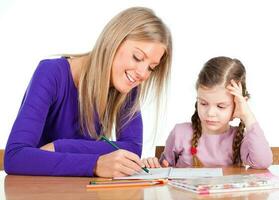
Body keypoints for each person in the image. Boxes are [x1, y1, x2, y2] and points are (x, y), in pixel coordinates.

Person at [4, 7, 172, 177]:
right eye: (137, 57)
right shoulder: (51, 73)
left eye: (152, 68)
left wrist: (59, 147)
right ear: (113, 41)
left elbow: (132, 148)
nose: (143, 74)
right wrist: (95, 164)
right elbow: (15, 157)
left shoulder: (128, 85)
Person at [142, 56, 272, 169]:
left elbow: (262, 162)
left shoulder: (240, 138)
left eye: (221, 106)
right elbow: (164, 170)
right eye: (203, 103)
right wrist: (152, 165)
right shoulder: (180, 133)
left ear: (238, 104)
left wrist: (247, 115)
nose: (210, 113)